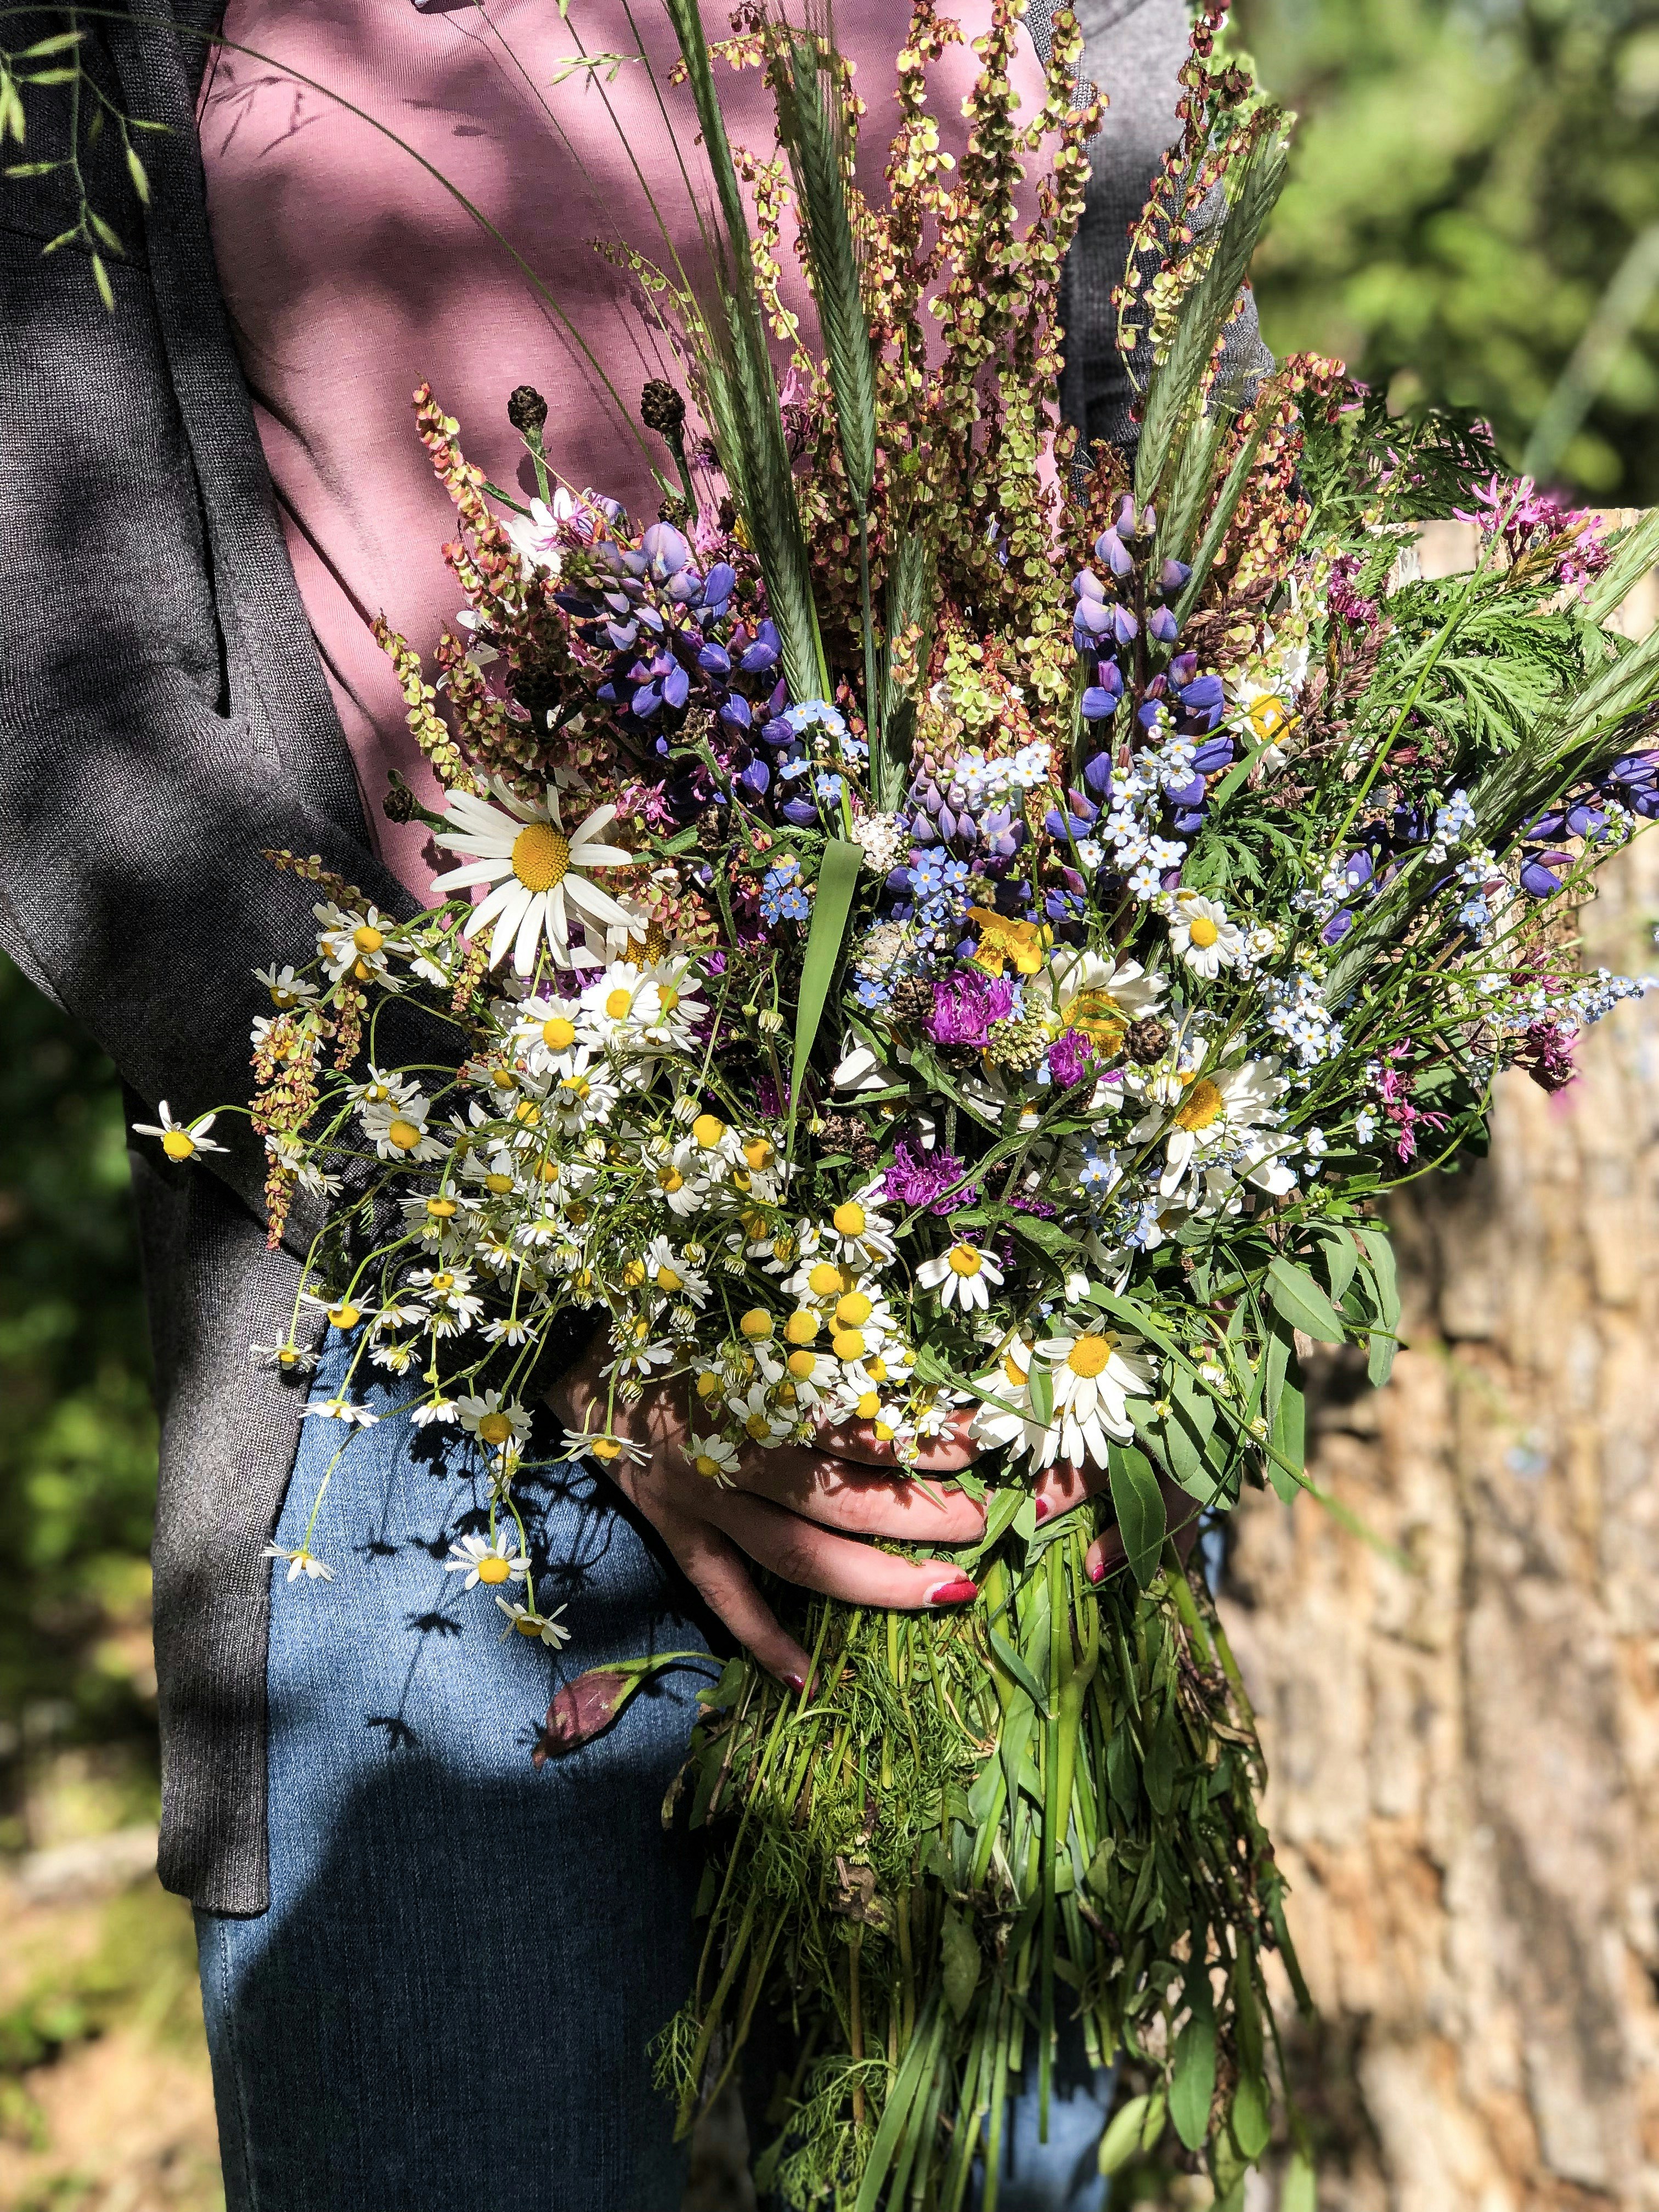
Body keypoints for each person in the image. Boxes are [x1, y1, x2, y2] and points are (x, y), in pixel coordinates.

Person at [0, 2, 1267, 2204]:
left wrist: (1061, 1155)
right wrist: (589, 1301)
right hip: (403, 1382)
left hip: (970, 1335)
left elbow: (1189, 522)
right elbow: (76, 725)